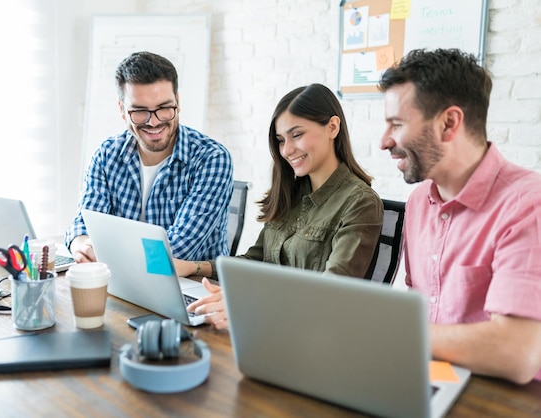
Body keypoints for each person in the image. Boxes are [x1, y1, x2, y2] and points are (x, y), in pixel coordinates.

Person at [378, 48, 541, 384]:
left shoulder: (529, 206)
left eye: (396, 124)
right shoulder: (420, 201)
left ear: (449, 123)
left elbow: (517, 353)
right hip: (437, 379)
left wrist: (391, 335)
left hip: (503, 399)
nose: (384, 141)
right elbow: (420, 309)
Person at [177, 83, 383, 329]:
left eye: (297, 135)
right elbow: (258, 260)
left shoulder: (359, 202)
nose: (286, 150)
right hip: (269, 323)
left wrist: (247, 301)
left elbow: (332, 293)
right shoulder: (291, 193)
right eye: (281, 140)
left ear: (332, 127)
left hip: (311, 333)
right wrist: (194, 267)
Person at [65, 51, 233, 262]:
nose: (154, 122)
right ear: (122, 110)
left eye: (164, 108)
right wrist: (82, 246)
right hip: (120, 278)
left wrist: (107, 253)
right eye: (140, 111)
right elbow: (83, 224)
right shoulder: (106, 156)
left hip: (193, 287)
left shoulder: (212, 159)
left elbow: (177, 249)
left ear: (178, 102)